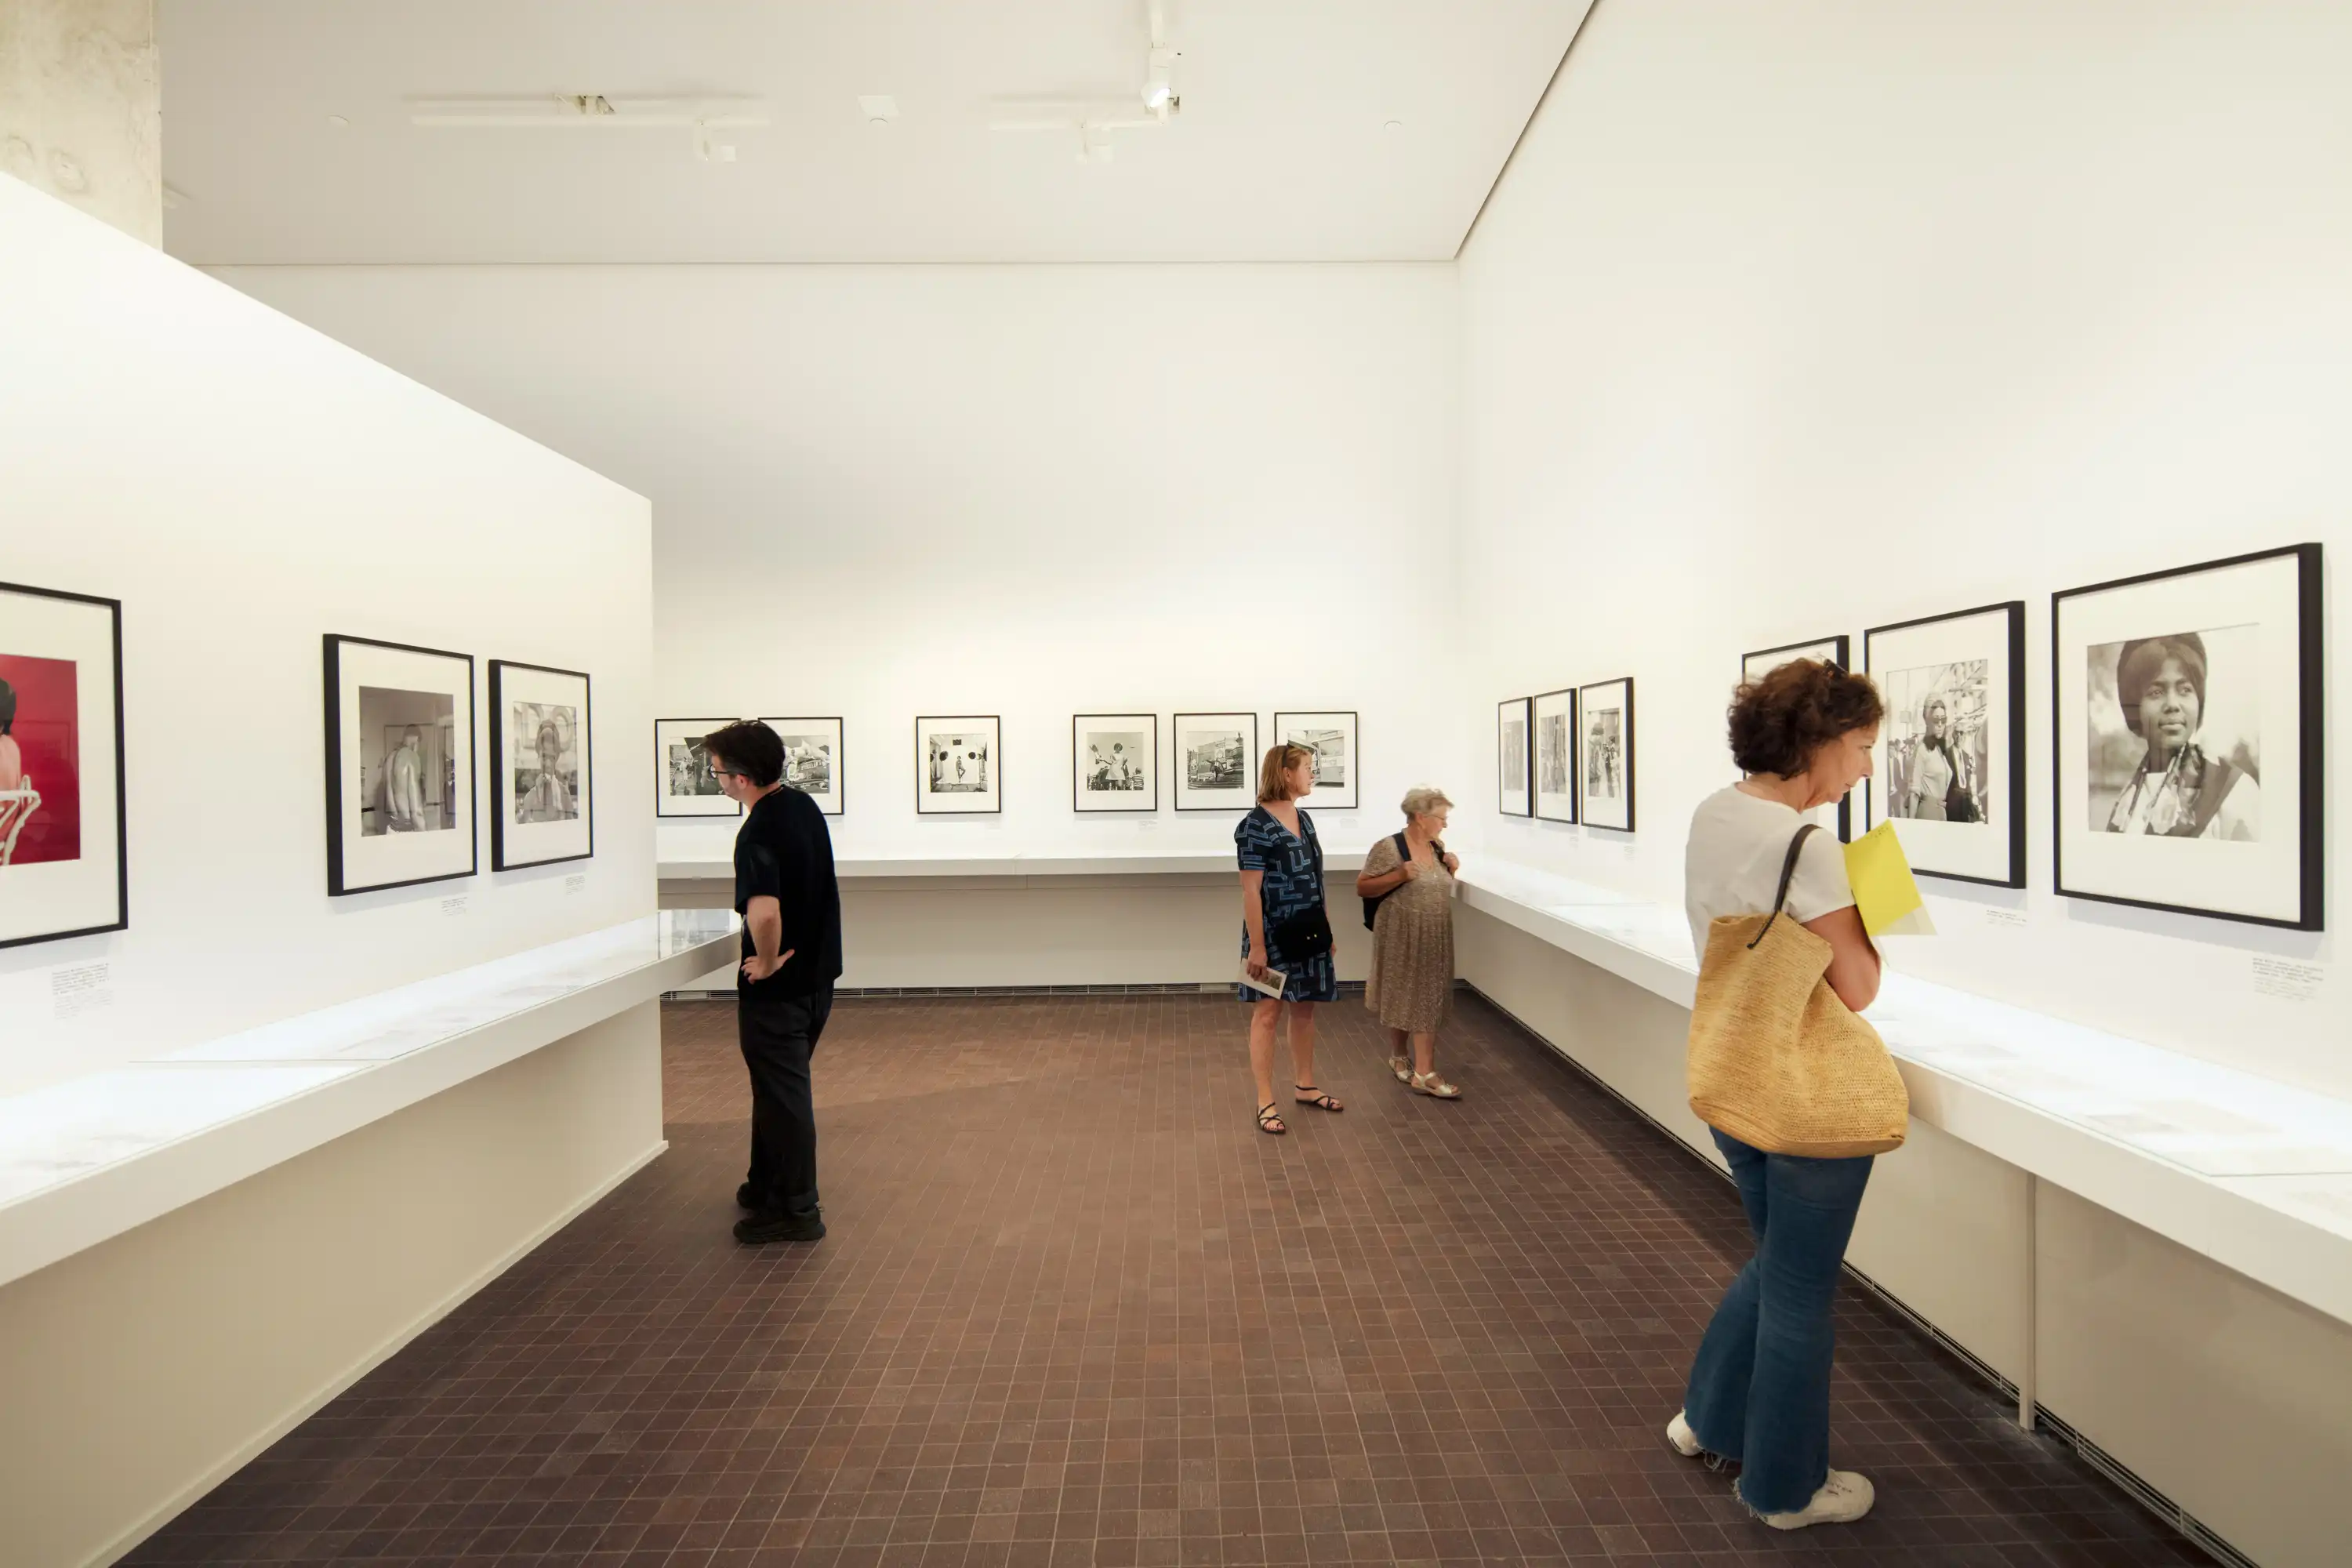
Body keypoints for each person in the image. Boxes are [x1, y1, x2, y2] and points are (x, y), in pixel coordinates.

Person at [1669, 657, 1886, 1530]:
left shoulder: (1713, 813)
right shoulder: (1810, 846)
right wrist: (1874, 905)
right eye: (1862, 746)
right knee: (1800, 1289)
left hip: (1732, 1073)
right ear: (1817, 741)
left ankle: (1710, 1419)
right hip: (1806, 1095)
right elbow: (1860, 985)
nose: (1866, 768)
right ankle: (1786, 1489)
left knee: (1776, 1265)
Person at [704, 719, 844, 1245]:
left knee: (784, 1096)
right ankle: (765, 1183)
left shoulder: (757, 832)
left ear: (740, 779)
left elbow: (764, 914)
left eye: (717, 771)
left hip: (779, 992)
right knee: (776, 1089)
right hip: (817, 980)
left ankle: (797, 1210)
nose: (716, 780)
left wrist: (764, 962)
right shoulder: (802, 807)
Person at [1236, 742, 1341, 1134]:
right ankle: (1265, 1100)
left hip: (1310, 932)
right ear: (1285, 773)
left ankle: (1306, 1085)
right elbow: (1250, 892)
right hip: (1271, 939)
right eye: (1308, 768)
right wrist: (1258, 947)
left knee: (1306, 1008)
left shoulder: (1305, 819)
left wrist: (1327, 930)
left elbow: (1317, 879)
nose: (1312, 774)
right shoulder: (1254, 826)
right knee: (1266, 1013)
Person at [1355, 786, 1463, 1097]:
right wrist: (1399, 875)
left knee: (1423, 996)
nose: (1445, 824)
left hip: (1434, 935)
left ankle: (1401, 1058)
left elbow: (1433, 887)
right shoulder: (1389, 848)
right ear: (1420, 817)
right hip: (1401, 935)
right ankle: (1425, 1073)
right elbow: (1363, 887)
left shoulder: (1437, 848)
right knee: (1408, 996)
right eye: (1441, 818)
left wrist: (1451, 868)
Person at [2103, 633, 2258, 840]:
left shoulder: (2233, 791)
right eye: (2156, 692)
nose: (2173, 705)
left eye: (2185, 689)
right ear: (2135, 706)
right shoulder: (2128, 798)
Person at [1904, 695, 1953, 822]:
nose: (1940, 725)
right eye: (1936, 721)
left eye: (1943, 720)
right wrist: (1911, 824)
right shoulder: (1922, 750)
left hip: (1941, 812)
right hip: (1928, 813)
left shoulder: (1940, 750)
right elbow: (1914, 792)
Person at [518, 719, 573, 822]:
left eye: (551, 758)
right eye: (544, 757)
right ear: (539, 755)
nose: (548, 764)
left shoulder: (564, 795)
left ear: (556, 758)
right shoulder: (529, 799)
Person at [384, 725, 428, 831]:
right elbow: (416, 809)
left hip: (392, 827)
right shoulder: (410, 756)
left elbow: (389, 792)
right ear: (416, 739)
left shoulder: (390, 757)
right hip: (408, 827)